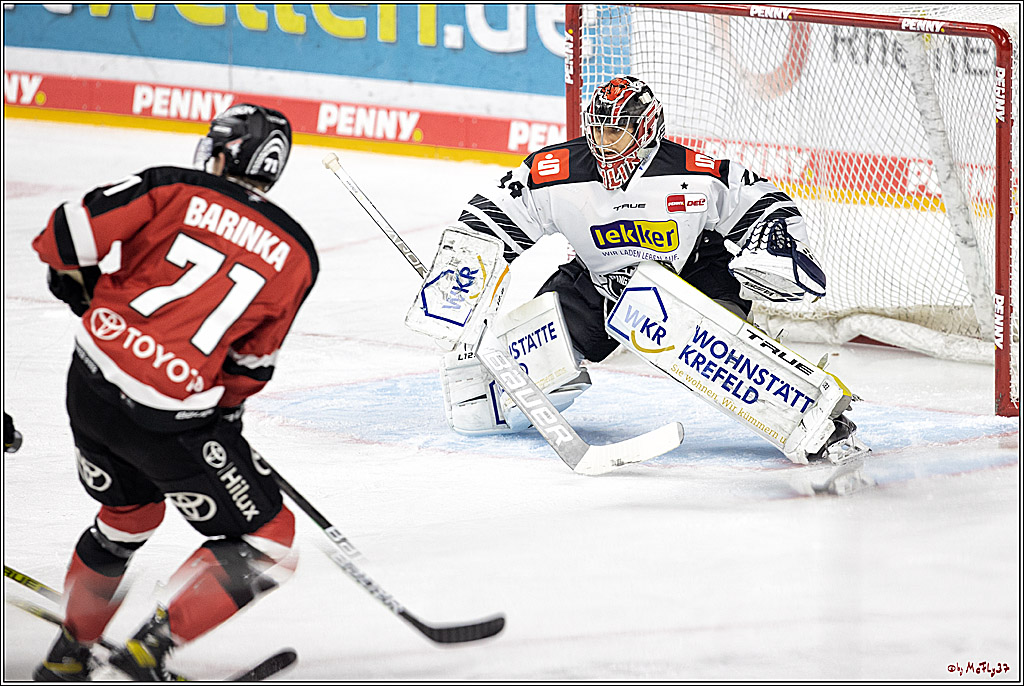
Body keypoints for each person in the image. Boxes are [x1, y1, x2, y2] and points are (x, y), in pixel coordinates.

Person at [30, 104, 318, 681]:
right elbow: (250, 371)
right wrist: (221, 418)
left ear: (220, 150)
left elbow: (60, 239)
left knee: (126, 515)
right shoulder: (297, 254)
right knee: (269, 539)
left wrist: (87, 291)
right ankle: (147, 652)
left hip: (89, 384)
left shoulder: (170, 185)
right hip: (168, 418)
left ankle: (68, 656)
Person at [439, 75, 860, 461]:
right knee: (486, 393)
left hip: (691, 278)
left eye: (616, 130)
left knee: (726, 356)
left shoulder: (695, 173)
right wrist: (461, 274)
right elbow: (491, 219)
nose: (604, 142)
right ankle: (504, 397)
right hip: (599, 282)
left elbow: (768, 205)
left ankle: (821, 423)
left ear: (644, 130)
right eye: (598, 129)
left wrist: (775, 246)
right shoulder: (556, 173)